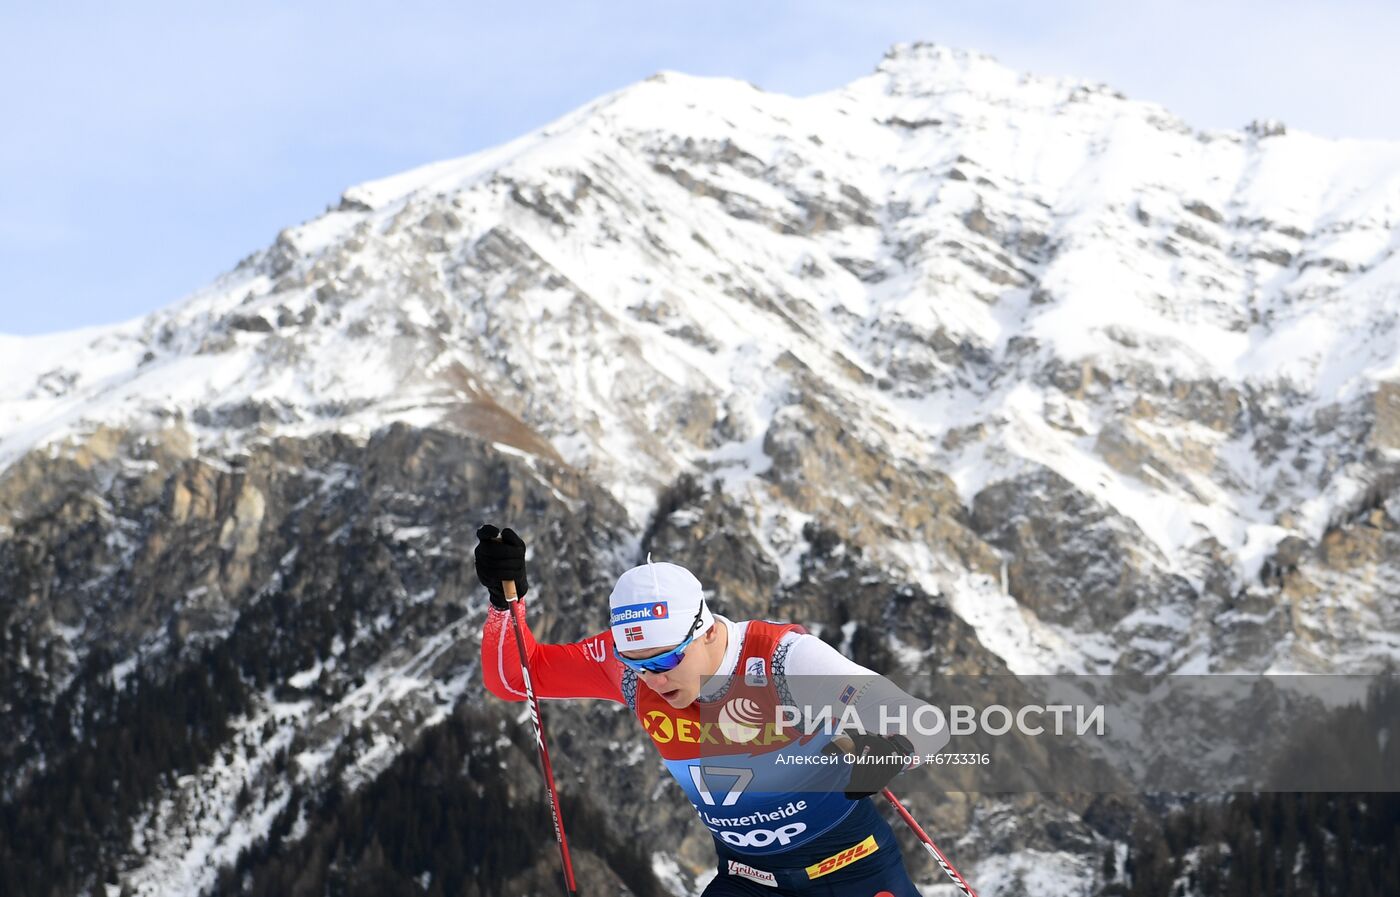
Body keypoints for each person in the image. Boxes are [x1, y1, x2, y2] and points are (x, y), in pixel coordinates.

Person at [476, 525, 947, 896]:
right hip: (749, 881)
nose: (654, 679)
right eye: (637, 664)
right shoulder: (628, 670)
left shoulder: (784, 659)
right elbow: (517, 678)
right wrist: (504, 606)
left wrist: (889, 750)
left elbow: (924, 724)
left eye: (666, 660)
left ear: (705, 631)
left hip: (851, 868)